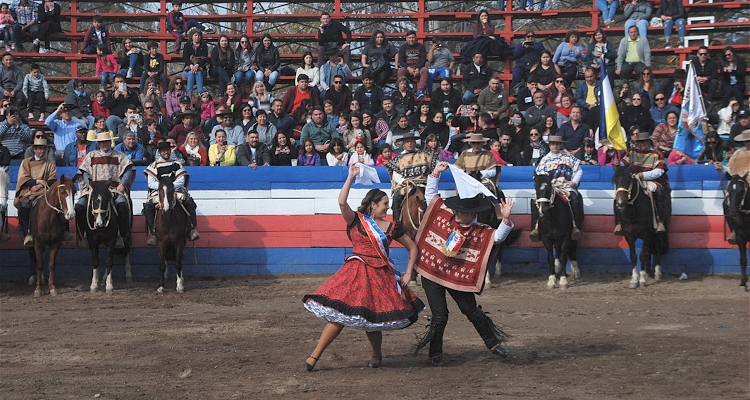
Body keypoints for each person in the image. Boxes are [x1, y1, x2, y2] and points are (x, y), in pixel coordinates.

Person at [302, 163, 423, 371]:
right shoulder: (356, 220)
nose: (387, 206)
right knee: (337, 314)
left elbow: (413, 248)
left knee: (372, 319)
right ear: (373, 205)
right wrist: (350, 177)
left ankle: (376, 353)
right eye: (384, 203)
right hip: (354, 274)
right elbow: (341, 202)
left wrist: (409, 272)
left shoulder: (392, 226)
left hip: (379, 276)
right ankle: (315, 355)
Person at [413, 160, 514, 367]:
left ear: (472, 214)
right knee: (440, 316)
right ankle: (434, 355)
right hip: (432, 273)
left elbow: (497, 237)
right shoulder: (447, 215)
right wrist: (435, 174)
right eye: (457, 210)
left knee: (472, 311)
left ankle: (494, 344)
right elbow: (432, 198)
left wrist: (505, 220)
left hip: (456, 276)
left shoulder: (480, 231)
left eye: (461, 211)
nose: (456, 213)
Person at [74, 130, 134, 249]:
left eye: (106, 141)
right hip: (94, 190)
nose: (104, 144)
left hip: (113, 189)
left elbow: (128, 170)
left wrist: (122, 184)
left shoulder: (119, 155)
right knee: (79, 206)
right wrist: (88, 184)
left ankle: (121, 236)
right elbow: (84, 172)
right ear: (99, 143)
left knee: (122, 205)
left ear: (110, 142)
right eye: (102, 142)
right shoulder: (91, 155)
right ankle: (84, 235)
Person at [142, 141, 200, 247]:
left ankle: (192, 228)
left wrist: (170, 188)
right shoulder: (153, 166)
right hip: (159, 192)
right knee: (149, 206)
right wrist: (163, 188)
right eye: (163, 151)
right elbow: (151, 183)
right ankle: (153, 232)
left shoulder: (176, 164)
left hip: (175, 190)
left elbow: (181, 180)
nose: (166, 152)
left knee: (188, 201)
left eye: (167, 150)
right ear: (159, 152)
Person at [530, 135, 584, 241]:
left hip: (565, 187)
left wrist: (573, 182)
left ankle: (575, 227)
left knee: (575, 199)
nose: (555, 146)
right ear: (549, 145)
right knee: (534, 201)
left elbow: (579, 170)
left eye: (557, 144)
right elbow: (538, 177)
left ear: (560, 145)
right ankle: (535, 229)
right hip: (549, 189)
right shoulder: (544, 160)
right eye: (553, 144)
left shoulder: (568, 157)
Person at [617, 131, 671, 235]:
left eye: (645, 142)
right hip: (632, 180)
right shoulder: (631, 152)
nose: (642, 145)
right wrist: (617, 163)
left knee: (659, 193)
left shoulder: (657, 154)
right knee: (620, 194)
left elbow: (659, 171)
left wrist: (643, 175)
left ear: (649, 142)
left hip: (650, 180)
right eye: (640, 142)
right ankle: (619, 223)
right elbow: (623, 165)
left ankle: (659, 221)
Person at [14, 136, 60, 246]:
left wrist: (39, 186)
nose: (41, 151)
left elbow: (52, 180)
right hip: (29, 192)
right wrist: (36, 182)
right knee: (25, 207)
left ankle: (63, 231)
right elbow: (23, 178)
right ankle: (27, 233)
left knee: (59, 206)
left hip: (45, 192)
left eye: (44, 148)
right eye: (39, 148)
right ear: (34, 149)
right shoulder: (26, 162)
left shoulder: (50, 163)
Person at [385, 131, 437, 226]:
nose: (410, 143)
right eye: (407, 141)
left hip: (423, 184)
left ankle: (435, 223)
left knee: (434, 199)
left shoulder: (425, 154)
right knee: (397, 197)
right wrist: (403, 180)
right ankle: (397, 224)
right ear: (403, 143)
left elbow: (435, 165)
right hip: (407, 185)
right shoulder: (398, 158)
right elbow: (395, 175)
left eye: (411, 141)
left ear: (414, 142)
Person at [715, 129, 750, 244]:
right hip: (739, 182)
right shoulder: (738, 153)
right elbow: (730, 169)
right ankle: (735, 230)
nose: (747, 143)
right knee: (726, 203)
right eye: (746, 141)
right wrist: (722, 167)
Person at [182, 29, 209, 96]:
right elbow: (185, 57)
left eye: (199, 35)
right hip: (188, 69)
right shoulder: (187, 45)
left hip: (201, 69)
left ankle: (201, 95)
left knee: (198, 73)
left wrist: (197, 65)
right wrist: (191, 66)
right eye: (195, 35)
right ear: (192, 36)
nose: (197, 37)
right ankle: (189, 96)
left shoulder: (204, 46)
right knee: (191, 73)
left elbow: (204, 58)